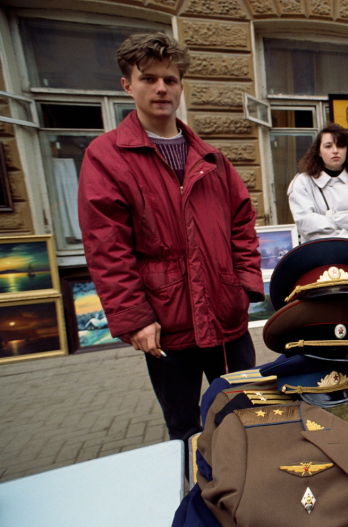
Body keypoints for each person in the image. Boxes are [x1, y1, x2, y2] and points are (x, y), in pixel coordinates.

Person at [78, 33, 264, 447]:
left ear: (181, 85)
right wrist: (135, 318)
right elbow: (107, 246)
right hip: (166, 324)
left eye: (170, 79)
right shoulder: (107, 157)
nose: (161, 88)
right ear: (127, 84)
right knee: (185, 431)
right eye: (149, 79)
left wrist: (246, 284)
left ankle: (250, 499)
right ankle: (195, 500)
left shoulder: (211, 157)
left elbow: (242, 223)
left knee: (247, 417)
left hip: (224, 317)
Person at [287, 124, 348, 245]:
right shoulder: (303, 183)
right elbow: (307, 226)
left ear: (347, 149)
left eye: (340, 146)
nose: (335, 151)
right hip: (317, 255)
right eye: (328, 146)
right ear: (318, 151)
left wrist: (329, 217)